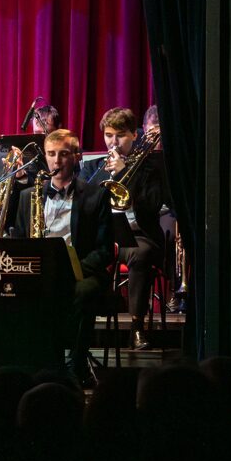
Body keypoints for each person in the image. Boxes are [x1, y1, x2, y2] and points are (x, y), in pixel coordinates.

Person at [8, 129, 113, 381]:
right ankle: (36, 364)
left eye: (63, 154)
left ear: (76, 156)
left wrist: (71, 270)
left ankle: (76, 365)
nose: (57, 160)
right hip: (38, 272)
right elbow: (19, 241)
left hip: (81, 273)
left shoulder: (96, 195)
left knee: (83, 292)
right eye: (51, 154)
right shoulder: (28, 196)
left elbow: (105, 250)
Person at [80, 107, 168, 349]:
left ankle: (137, 327)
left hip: (138, 236)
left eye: (120, 135)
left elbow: (152, 205)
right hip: (104, 237)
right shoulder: (93, 169)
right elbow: (83, 204)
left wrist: (125, 172)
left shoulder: (150, 168)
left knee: (140, 255)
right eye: (108, 135)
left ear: (134, 135)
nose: (113, 142)